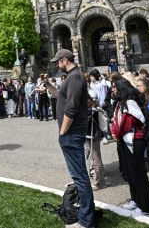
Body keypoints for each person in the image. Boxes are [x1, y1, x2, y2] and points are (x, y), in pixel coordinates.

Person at [43, 49, 94, 228]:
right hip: (71, 133)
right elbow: (61, 97)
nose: (57, 65)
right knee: (79, 177)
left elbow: (71, 108)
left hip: (71, 133)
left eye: (58, 62)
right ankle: (86, 218)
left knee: (80, 178)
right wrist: (48, 84)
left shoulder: (75, 77)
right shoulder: (73, 77)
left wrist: (63, 132)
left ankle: (86, 222)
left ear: (65, 60)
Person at [108, 78, 149, 216]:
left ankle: (146, 208)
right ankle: (136, 200)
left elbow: (127, 124)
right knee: (129, 173)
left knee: (138, 174)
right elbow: (116, 121)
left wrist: (117, 134)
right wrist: (114, 132)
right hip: (123, 141)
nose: (113, 90)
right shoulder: (120, 103)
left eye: (115, 87)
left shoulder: (130, 103)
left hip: (134, 141)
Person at [86, 89, 107, 189]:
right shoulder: (91, 105)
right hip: (89, 135)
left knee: (95, 157)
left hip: (93, 135)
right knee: (86, 156)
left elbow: (86, 122)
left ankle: (99, 182)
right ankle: (84, 179)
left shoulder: (89, 107)